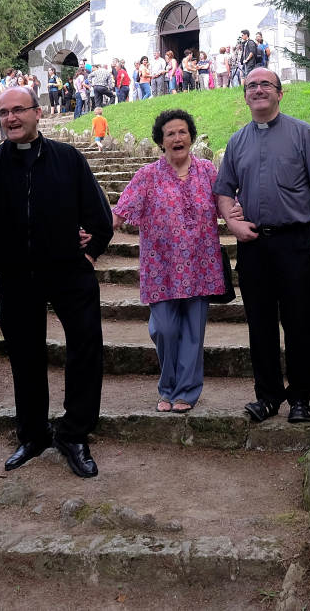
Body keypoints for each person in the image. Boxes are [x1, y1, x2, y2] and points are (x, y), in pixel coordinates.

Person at [0, 87, 113, 478]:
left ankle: (75, 433)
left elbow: (98, 212)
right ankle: (33, 434)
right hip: (16, 274)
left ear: (38, 113)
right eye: (3, 112)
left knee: (85, 346)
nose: (10, 118)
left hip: (68, 271)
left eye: (18, 110)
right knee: (25, 355)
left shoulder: (68, 158)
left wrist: (91, 252)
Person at [214, 67, 310, 424]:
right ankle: (267, 396)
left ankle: (301, 397)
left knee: (299, 320)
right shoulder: (237, 142)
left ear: (280, 93)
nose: (258, 90)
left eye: (266, 84)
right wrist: (233, 222)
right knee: (259, 324)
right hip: (254, 246)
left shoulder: (302, 133)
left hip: (295, 241)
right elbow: (223, 191)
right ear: (245, 96)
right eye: (251, 86)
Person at [113, 109, 225, 413]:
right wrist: (93, 236)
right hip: (160, 268)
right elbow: (119, 213)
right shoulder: (147, 175)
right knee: (163, 329)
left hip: (201, 265)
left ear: (190, 136)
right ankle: (168, 383)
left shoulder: (207, 171)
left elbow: (228, 206)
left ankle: (183, 392)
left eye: (183, 132)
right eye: (170, 134)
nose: (178, 138)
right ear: (161, 142)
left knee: (193, 333)